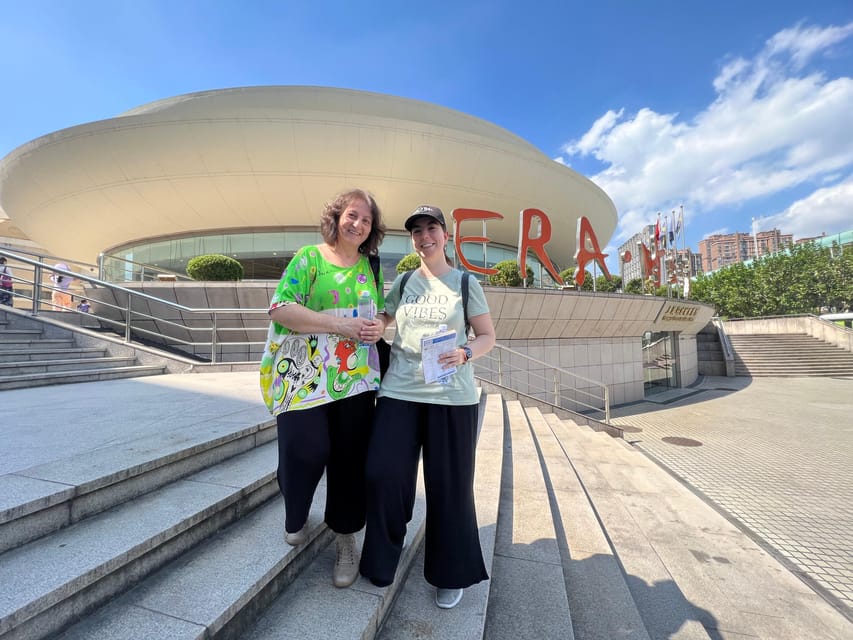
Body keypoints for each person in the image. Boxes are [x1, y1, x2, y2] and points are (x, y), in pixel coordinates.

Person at [359, 205, 497, 609]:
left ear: (445, 235)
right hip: (399, 392)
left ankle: (449, 572)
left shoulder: (465, 282)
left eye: (431, 228)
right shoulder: (403, 281)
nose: (424, 237)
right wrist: (376, 325)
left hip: (451, 398)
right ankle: (384, 556)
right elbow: (385, 318)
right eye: (417, 231)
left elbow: (488, 335)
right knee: (383, 473)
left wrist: (466, 352)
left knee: (450, 487)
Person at [259, 188, 386, 589]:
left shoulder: (372, 266)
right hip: (306, 375)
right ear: (336, 217)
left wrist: (380, 324)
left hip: (356, 378)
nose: (358, 224)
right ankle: (296, 510)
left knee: (350, 460)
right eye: (352, 215)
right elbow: (281, 308)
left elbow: (379, 310)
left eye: (366, 220)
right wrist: (337, 325)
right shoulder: (309, 258)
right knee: (305, 449)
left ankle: (346, 537)